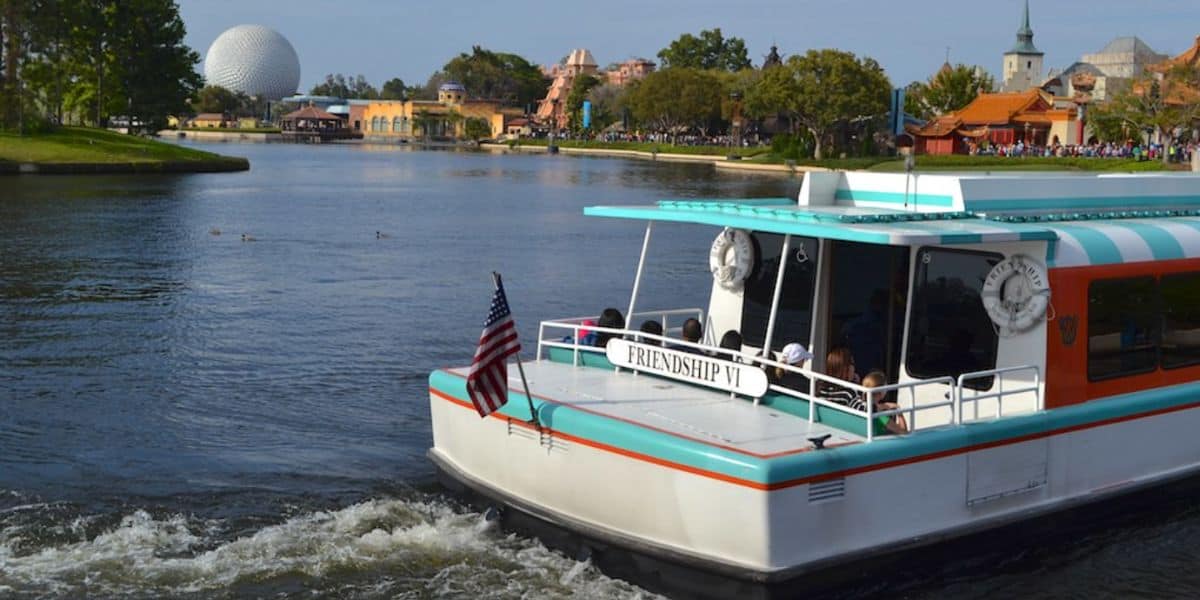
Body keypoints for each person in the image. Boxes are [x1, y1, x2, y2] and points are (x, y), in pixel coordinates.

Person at [863, 370, 908, 435]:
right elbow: (903, 431)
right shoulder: (880, 416)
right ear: (881, 392)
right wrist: (899, 412)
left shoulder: (862, 404)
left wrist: (883, 406)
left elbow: (875, 406)